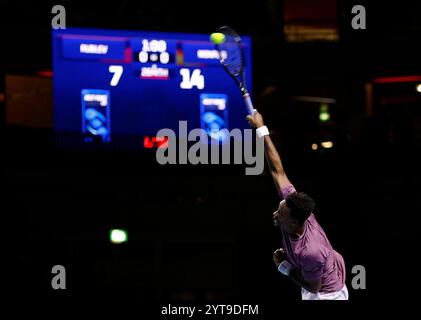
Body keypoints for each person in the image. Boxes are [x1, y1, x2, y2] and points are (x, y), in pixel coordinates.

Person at [247, 110, 348, 300]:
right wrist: (260, 128)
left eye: (280, 214)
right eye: (279, 209)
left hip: (327, 295)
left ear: (294, 222)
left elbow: (313, 287)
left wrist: (284, 267)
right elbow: (277, 169)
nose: (275, 214)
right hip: (320, 271)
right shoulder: (293, 205)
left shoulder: (310, 251)